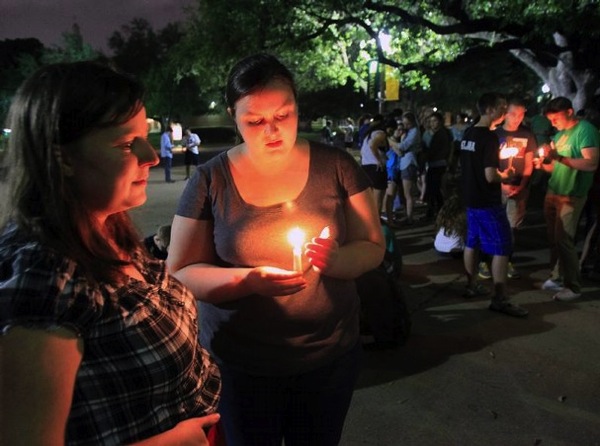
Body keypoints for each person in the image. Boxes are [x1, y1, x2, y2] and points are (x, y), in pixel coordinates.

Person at [167, 53, 385, 446]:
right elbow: (181, 269)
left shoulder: (337, 167)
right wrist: (248, 280)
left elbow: (372, 246)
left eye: (284, 115)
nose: (272, 130)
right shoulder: (209, 180)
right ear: (234, 116)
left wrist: (337, 260)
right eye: (255, 122)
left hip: (329, 358)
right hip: (242, 365)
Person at [0, 61, 221, 445]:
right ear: (62, 158)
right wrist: (172, 440)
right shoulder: (43, 280)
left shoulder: (105, 229)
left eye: (144, 135)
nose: (151, 156)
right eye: (124, 144)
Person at [459, 92, 528, 317]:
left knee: (472, 242)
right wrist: (506, 175)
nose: (504, 111)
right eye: (501, 107)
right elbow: (490, 175)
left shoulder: (468, 133)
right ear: (489, 109)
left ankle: (471, 286)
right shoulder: (488, 138)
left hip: (470, 198)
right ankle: (500, 298)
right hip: (487, 201)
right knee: (502, 246)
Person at [534, 97, 600, 301]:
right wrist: (542, 165)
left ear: (569, 112)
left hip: (572, 194)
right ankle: (557, 277)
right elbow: (556, 166)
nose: (553, 123)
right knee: (554, 239)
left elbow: (591, 164)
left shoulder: (585, 130)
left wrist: (558, 157)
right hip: (554, 190)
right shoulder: (560, 134)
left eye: (556, 118)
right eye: (550, 119)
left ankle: (573, 286)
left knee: (564, 240)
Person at [486, 96, 536, 279]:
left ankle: (507, 260)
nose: (517, 118)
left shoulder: (527, 134)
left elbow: (529, 164)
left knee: (512, 227)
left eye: (521, 115)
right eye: (513, 114)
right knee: (494, 224)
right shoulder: (495, 134)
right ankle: (488, 259)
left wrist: (522, 186)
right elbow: (489, 165)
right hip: (498, 188)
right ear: (505, 114)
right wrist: (502, 184)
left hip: (519, 189)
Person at [388, 112, 421, 225]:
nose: (405, 126)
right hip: (405, 164)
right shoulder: (409, 132)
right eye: (404, 123)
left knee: (408, 193)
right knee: (405, 193)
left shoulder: (414, 132)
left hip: (409, 163)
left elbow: (403, 147)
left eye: (407, 123)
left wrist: (391, 141)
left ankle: (409, 218)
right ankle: (408, 216)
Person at [422, 112, 452, 221]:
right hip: (433, 163)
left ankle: (440, 212)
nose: (433, 123)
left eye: (435, 121)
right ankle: (433, 211)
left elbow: (437, 150)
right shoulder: (431, 133)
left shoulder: (442, 134)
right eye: (431, 121)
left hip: (438, 163)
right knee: (432, 189)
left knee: (436, 189)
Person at [360, 113, 389, 214]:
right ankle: (377, 224)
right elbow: (373, 146)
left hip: (366, 167)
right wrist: (379, 160)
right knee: (378, 199)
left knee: (370, 200)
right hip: (376, 168)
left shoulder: (367, 135)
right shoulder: (380, 133)